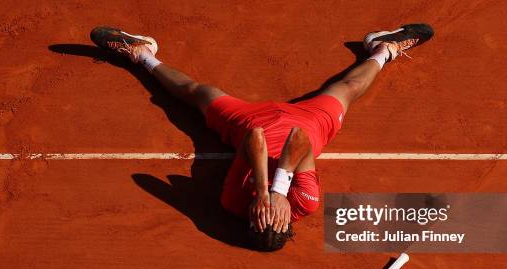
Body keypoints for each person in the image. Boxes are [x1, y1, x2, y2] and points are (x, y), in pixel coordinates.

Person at [91, 24, 433, 250]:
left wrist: (259, 193)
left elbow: (254, 136)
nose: (268, 213)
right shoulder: (305, 203)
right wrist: (279, 190)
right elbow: (299, 138)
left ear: (252, 220)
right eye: (275, 217)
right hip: (311, 123)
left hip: (247, 122)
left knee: (197, 92)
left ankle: (143, 54)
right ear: (287, 222)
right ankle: (383, 48)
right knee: (349, 88)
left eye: (260, 217)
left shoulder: (234, 203)